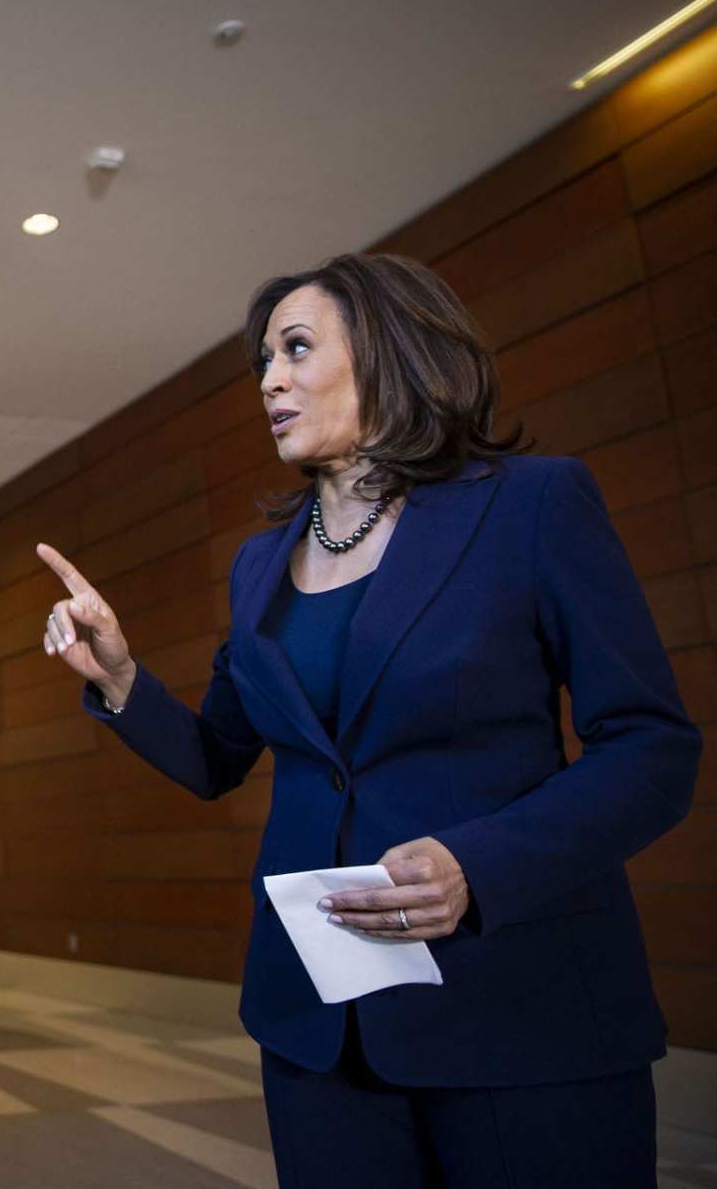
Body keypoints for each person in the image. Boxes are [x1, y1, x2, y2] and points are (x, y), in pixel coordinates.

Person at [37, 252, 695, 1187]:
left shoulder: (532, 505)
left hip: (517, 1006)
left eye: (296, 349)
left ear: (388, 354)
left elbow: (653, 752)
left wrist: (479, 865)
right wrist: (121, 678)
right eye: (262, 361)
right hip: (318, 1028)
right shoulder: (258, 566)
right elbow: (219, 756)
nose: (268, 380)